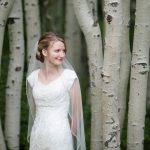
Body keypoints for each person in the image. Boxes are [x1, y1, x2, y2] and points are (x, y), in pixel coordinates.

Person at [26, 32, 86, 150]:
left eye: (63, 51)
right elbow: (33, 109)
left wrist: (67, 133)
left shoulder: (69, 77)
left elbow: (77, 113)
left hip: (60, 136)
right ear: (44, 52)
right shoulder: (32, 78)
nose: (62, 54)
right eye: (57, 51)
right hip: (38, 135)